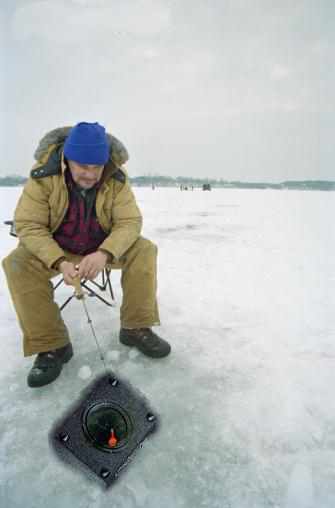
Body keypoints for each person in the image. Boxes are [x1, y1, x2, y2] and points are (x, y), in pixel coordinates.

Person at [2, 122, 171, 388]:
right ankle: (52, 345)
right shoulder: (43, 176)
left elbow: (129, 222)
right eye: (83, 166)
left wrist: (105, 252)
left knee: (144, 249)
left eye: (97, 167)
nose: (91, 175)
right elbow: (28, 225)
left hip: (101, 247)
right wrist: (58, 260)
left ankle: (135, 328)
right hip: (59, 249)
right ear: (68, 160)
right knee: (18, 263)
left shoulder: (116, 177)